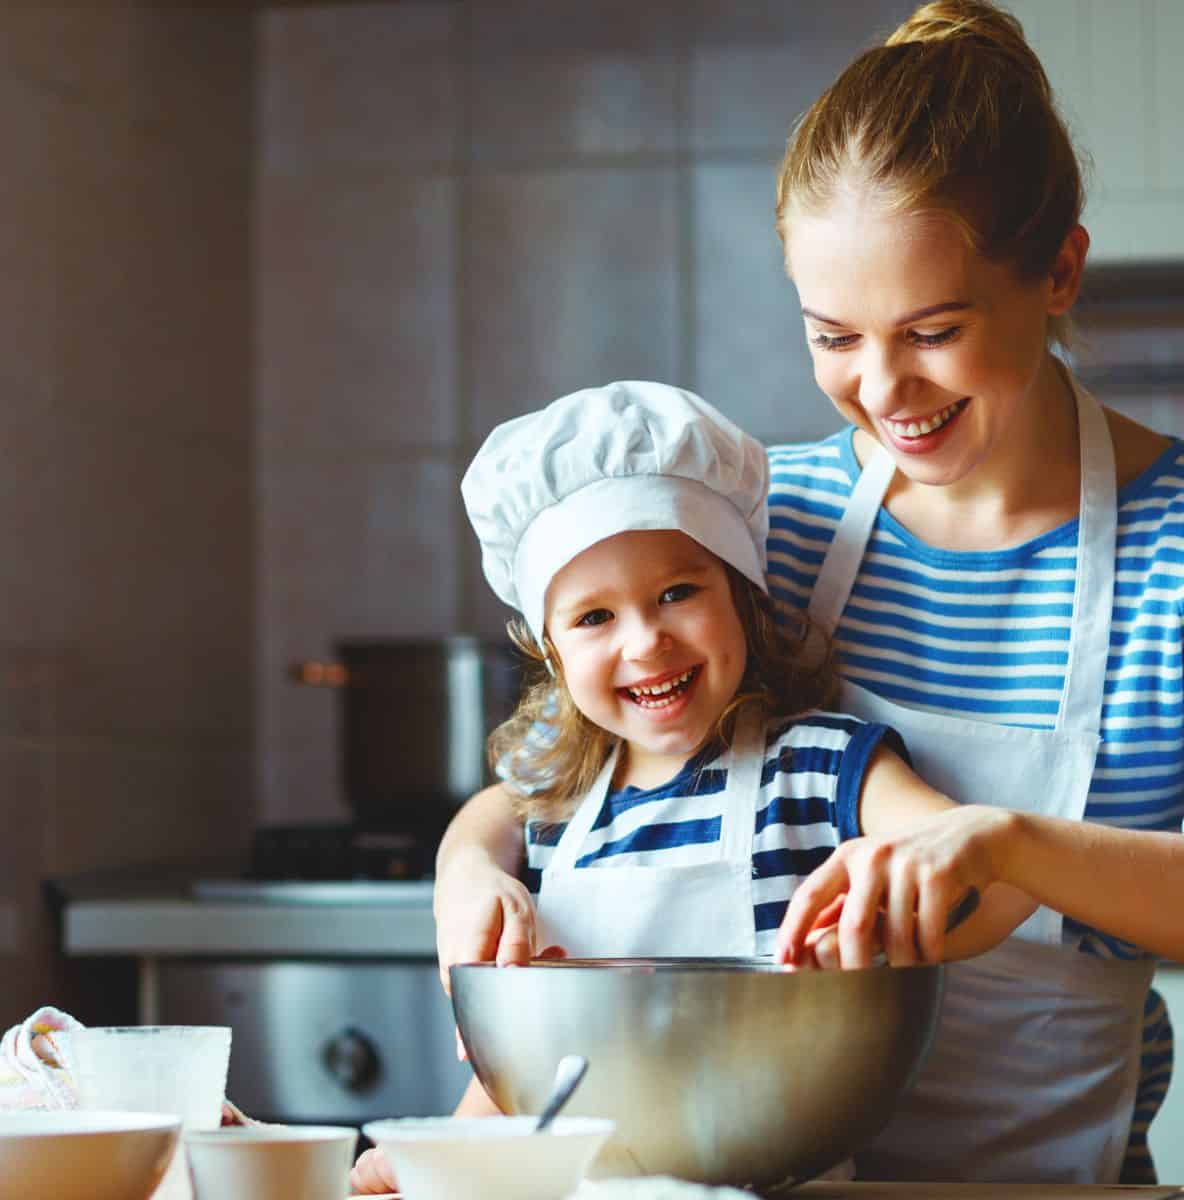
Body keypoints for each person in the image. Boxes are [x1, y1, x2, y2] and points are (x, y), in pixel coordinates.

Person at [429, 0, 1184, 1188]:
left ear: (1059, 270)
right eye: (833, 336)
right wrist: (468, 873)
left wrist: (1019, 848)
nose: (884, 389)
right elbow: (559, 781)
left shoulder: (1172, 553)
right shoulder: (757, 527)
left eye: (933, 330)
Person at [349, 379, 1032, 1196]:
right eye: (594, 618)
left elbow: (991, 866)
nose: (645, 642)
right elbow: (531, 1065)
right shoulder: (562, 813)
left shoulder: (817, 767)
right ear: (553, 655)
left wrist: (917, 894)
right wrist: (446, 1159)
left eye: (678, 592)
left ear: (741, 597)